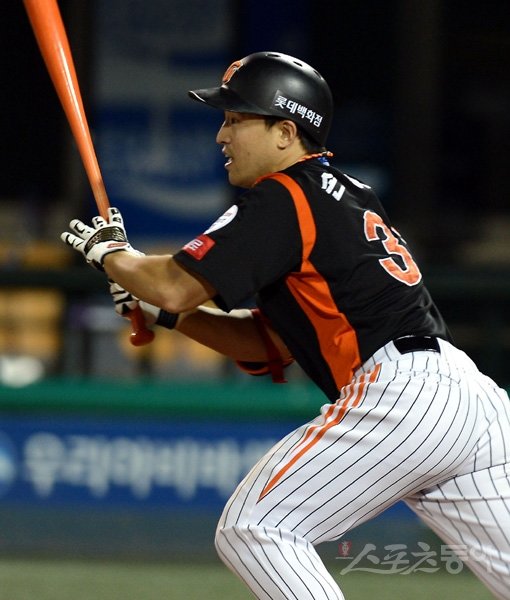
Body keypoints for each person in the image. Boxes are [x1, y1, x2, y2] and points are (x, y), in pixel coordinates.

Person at [61, 51, 510, 599]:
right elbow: (266, 343)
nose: (222, 135)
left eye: (236, 119)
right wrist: (164, 313)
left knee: (255, 528)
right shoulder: (342, 193)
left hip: (405, 396)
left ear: (285, 132)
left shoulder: (287, 194)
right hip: (469, 400)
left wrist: (110, 254)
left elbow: (175, 282)